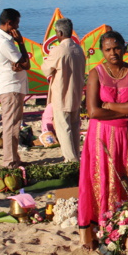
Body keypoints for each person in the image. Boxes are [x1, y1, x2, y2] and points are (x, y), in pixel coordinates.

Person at [77, 30, 128, 249]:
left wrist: (110, 106)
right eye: (107, 49)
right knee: (103, 181)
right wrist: (125, 111)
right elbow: (93, 112)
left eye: (116, 48)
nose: (113, 53)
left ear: (124, 47)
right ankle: (103, 229)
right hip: (102, 136)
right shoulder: (95, 73)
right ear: (102, 51)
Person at [0, 8, 30, 168]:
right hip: (11, 86)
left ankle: (14, 158)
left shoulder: (0, 38)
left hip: (11, 85)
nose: (18, 28)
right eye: (17, 24)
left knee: (13, 124)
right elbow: (25, 62)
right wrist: (21, 42)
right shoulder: (4, 41)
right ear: (9, 23)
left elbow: (21, 64)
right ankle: (11, 161)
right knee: (11, 125)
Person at [41, 18, 86, 162]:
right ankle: (75, 156)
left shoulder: (59, 50)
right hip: (76, 93)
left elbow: (45, 69)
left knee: (63, 129)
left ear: (59, 33)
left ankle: (71, 159)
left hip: (62, 94)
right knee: (73, 127)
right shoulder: (78, 49)